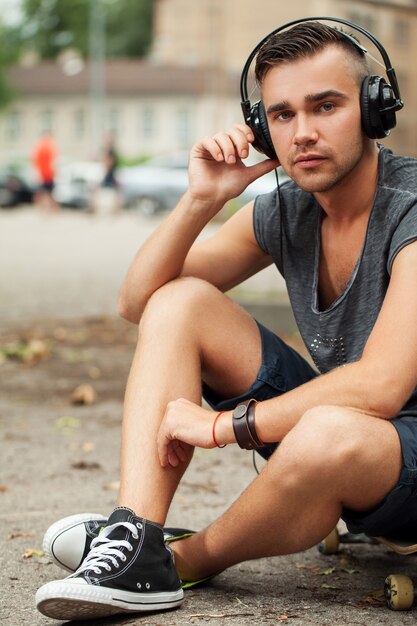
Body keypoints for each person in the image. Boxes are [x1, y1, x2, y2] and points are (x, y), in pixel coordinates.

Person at [36, 19, 417, 621]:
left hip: (395, 455)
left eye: (326, 106)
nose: (304, 133)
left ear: (374, 108)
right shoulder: (289, 208)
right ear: (263, 129)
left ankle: (184, 561)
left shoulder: (411, 211)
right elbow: (139, 302)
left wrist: (224, 427)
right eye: (283, 115)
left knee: (326, 431)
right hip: (349, 434)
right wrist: (202, 200)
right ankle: (136, 536)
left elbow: (382, 386)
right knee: (179, 301)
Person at [32, 131, 59, 212]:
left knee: (46, 193)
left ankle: (49, 208)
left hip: (46, 175)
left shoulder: (41, 146)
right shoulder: (50, 146)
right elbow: (53, 161)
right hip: (47, 175)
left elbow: (36, 161)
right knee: (47, 193)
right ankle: (50, 208)